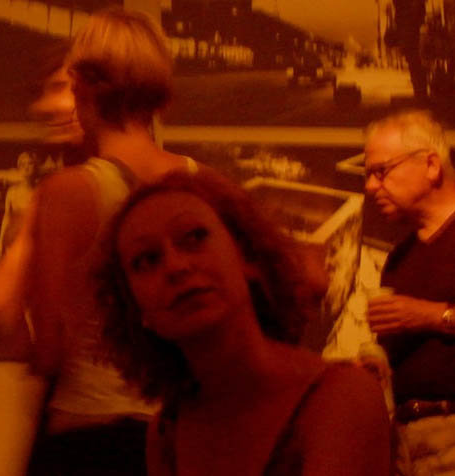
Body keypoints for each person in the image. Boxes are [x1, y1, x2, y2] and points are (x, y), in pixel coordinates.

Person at [0, 7, 204, 475]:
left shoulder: (62, 194)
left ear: (88, 87)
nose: (47, 107)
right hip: (180, 434)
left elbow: (43, 351)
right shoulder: (202, 182)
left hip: (88, 431)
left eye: (62, 86)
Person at [96, 171, 391, 476]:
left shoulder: (340, 396)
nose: (175, 266)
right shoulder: (167, 431)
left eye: (195, 238)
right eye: (147, 260)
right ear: (135, 308)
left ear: (246, 256)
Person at [364, 109, 455, 475]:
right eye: (368, 175)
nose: (371, 187)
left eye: (380, 171)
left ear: (431, 165)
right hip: (406, 444)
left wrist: (432, 316)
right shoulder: (399, 258)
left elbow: (425, 317)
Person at [0, 151, 36, 258]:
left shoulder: (40, 192)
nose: (26, 167)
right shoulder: (12, 192)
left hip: (32, 243)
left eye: (30, 163)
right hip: (13, 241)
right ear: (19, 168)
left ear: (35, 167)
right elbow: (7, 217)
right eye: (23, 164)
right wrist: (0, 242)